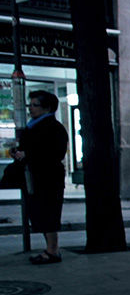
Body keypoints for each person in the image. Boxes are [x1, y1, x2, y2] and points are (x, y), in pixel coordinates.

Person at [12, 90, 69, 265]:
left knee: (48, 213)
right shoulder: (34, 125)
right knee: (39, 213)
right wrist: (19, 153)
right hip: (35, 177)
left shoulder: (53, 127)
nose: (30, 108)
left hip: (48, 177)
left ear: (47, 108)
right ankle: (51, 249)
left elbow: (54, 153)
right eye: (30, 105)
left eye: (35, 105)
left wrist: (27, 154)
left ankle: (52, 250)